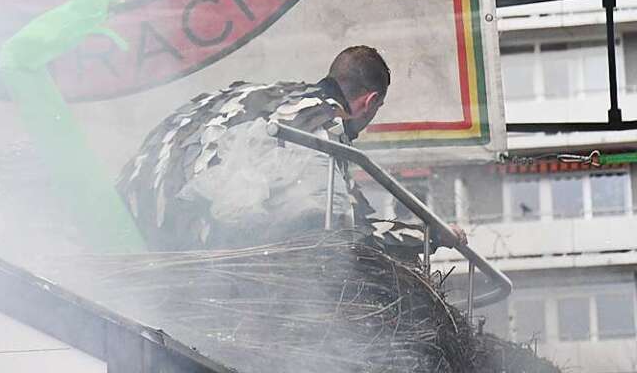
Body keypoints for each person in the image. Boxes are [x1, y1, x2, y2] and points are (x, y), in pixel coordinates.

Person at [117, 46, 466, 255]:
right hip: (188, 256)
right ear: (370, 101)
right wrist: (430, 236)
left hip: (129, 221)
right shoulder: (324, 125)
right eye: (377, 110)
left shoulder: (264, 96)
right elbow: (346, 234)